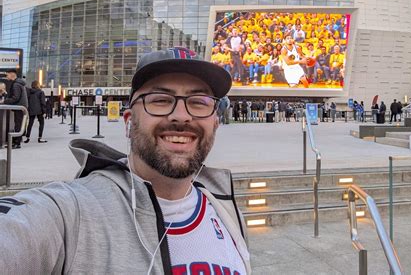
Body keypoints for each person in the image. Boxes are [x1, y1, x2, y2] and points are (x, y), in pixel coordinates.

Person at [0, 47, 250, 274]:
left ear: (215, 122)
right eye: (161, 100)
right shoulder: (70, 213)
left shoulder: (226, 211)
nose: (181, 116)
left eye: (198, 102)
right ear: (129, 121)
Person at [2, 69, 28, 149]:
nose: (7, 76)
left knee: (18, 125)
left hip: (19, 107)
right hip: (21, 107)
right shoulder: (19, 83)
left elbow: (15, 98)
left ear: (12, 74)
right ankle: (16, 142)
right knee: (18, 124)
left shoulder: (16, 84)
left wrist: (4, 101)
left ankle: (17, 143)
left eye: (7, 74)